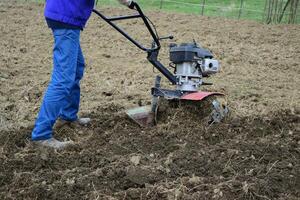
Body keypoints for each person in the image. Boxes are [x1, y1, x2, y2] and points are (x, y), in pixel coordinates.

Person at [32, 0, 134, 149]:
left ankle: (68, 116)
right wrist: (128, 2)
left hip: (63, 13)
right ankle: (41, 134)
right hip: (65, 15)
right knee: (63, 79)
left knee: (77, 68)